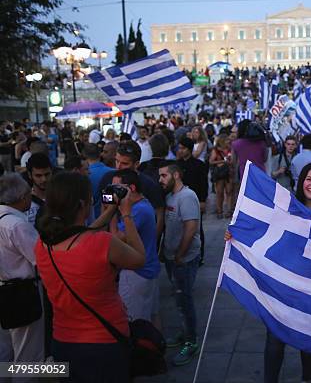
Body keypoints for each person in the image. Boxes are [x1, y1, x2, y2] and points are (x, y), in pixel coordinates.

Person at [225, 162, 311, 383]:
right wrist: (236, 236)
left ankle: (309, 379)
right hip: (283, 285)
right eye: (309, 179)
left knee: (309, 339)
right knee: (275, 338)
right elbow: (261, 229)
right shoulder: (287, 207)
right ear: (301, 181)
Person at [35, 171, 145, 382]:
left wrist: (110, 211)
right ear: (82, 205)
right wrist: (127, 214)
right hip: (104, 343)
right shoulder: (102, 243)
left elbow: (79, 236)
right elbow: (140, 259)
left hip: (63, 342)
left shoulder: (42, 245)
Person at [158, 161, 201, 366]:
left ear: (175, 176)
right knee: (179, 300)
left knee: (185, 301)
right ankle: (184, 333)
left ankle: (191, 341)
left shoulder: (187, 196)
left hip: (183, 259)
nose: (160, 180)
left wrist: (180, 255)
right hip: (171, 257)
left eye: (163, 176)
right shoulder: (169, 196)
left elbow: (191, 227)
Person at [0, 174, 44, 368]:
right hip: (22, 292)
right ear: (21, 198)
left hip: (5, 289)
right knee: (28, 357)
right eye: (28, 193)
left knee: (6, 352)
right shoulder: (17, 225)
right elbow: (41, 259)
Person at [109, 169, 160, 326]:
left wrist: (110, 213)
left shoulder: (137, 211)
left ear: (131, 188)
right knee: (150, 318)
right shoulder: (142, 205)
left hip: (137, 274)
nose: (112, 192)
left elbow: (117, 238)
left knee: (132, 323)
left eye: (117, 188)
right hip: (148, 269)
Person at [98, 141, 165, 238]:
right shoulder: (108, 179)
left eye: (124, 163)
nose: (118, 167)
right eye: (117, 161)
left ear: (137, 164)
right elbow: (104, 207)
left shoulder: (149, 185)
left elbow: (159, 215)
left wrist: (153, 241)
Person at [176, 136, 208, 265]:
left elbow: (203, 184)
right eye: (179, 148)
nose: (181, 151)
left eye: (183, 148)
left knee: (196, 228)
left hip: (194, 201)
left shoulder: (199, 165)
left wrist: (203, 200)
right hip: (179, 201)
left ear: (189, 149)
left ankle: (199, 255)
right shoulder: (177, 165)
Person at [83, 143, 114, 219]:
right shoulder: (114, 172)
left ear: (84, 155)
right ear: (100, 154)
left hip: (91, 219)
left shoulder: (83, 174)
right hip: (110, 218)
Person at [209, 134, 233, 219]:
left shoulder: (230, 149)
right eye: (227, 140)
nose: (228, 142)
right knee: (219, 193)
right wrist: (223, 161)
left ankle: (229, 211)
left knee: (229, 192)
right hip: (220, 174)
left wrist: (230, 162)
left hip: (229, 173)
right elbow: (211, 161)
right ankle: (219, 210)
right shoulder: (216, 150)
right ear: (222, 141)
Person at [25, 153, 52, 226]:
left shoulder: (61, 197)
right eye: (38, 176)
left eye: (47, 174)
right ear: (30, 175)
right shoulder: (23, 202)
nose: (44, 179)